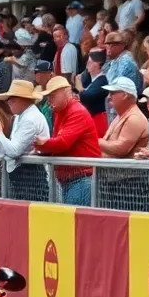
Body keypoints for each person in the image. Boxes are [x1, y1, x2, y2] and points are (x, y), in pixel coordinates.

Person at [34, 77, 101, 205]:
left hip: (81, 178)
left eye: (52, 95)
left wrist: (41, 144)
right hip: (72, 179)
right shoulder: (60, 111)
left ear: (66, 92)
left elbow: (63, 142)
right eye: (48, 96)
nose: (49, 100)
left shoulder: (77, 111)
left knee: (75, 216)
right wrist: (42, 146)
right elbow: (59, 141)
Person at [0, 79, 51, 201]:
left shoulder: (30, 119)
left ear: (25, 99)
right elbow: (11, 145)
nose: (9, 101)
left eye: (13, 98)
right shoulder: (22, 116)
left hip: (32, 177)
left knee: (31, 210)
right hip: (24, 175)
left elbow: (14, 151)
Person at [98, 77, 149, 158]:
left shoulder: (134, 118)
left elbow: (121, 149)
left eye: (112, 93)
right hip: (111, 165)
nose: (109, 97)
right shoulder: (120, 116)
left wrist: (96, 141)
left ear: (125, 95)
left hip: (127, 166)